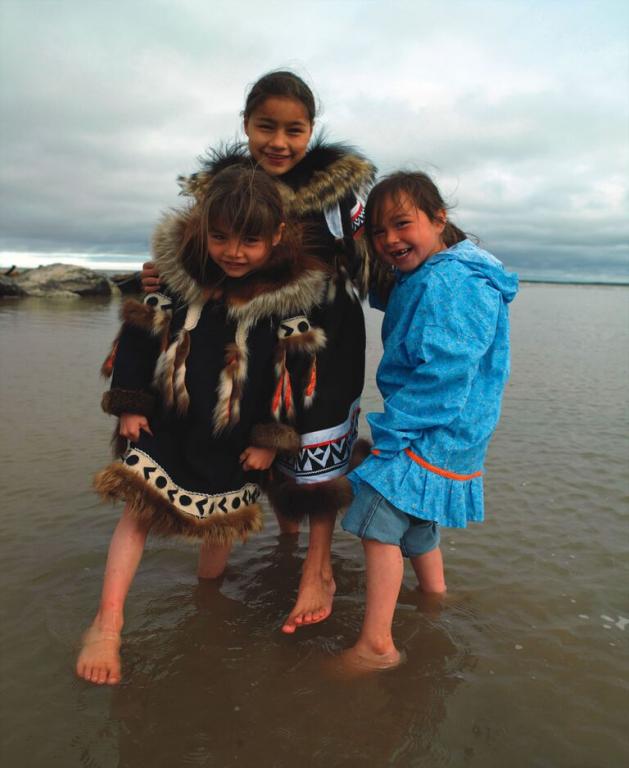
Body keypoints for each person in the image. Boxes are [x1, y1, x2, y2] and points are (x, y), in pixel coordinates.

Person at [77, 163, 350, 684]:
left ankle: (209, 591)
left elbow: (294, 375)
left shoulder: (289, 300)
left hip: (234, 438)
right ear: (202, 229)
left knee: (219, 521)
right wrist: (131, 404)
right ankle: (107, 620)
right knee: (136, 510)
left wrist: (272, 439)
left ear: (277, 236)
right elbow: (139, 334)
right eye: (220, 237)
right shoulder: (176, 279)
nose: (234, 252)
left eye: (250, 240)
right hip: (167, 422)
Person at [142, 70, 376, 634]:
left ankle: (316, 569)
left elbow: (375, 256)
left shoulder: (337, 191)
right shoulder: (223, 187)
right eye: (265, 126)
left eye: (293, 129)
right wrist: (160, 275)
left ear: (311, 130)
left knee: (316, 442)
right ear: (245, 124)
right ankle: (264, 549)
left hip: (326, 334)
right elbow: (201, 254)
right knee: (253, 435)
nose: (279, 141)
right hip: (250, 332)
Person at [340, 171, 519, 671]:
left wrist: (392, 434)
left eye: (402, 225)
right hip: (461, 431)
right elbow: (389, 291)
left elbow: (445, 371)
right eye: (378, 232)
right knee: (418, 516)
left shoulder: (450, 280)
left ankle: (376, 643)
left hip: (433, 425)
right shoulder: (436, 270)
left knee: (378, 514)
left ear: (439, 218)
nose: (390, 240)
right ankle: (436, 596)